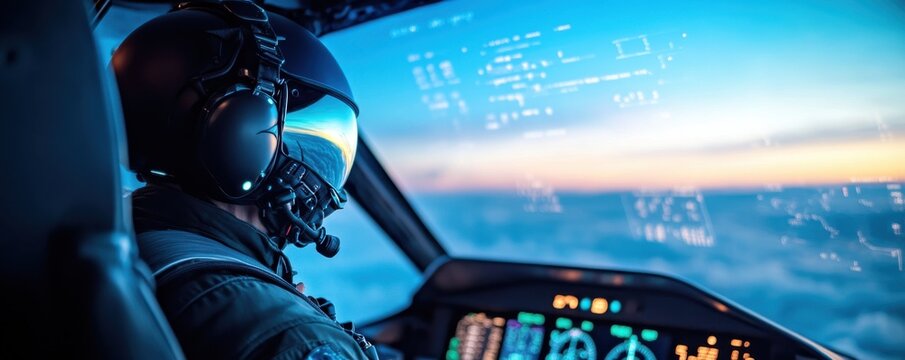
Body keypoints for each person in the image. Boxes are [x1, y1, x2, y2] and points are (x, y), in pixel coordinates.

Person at [112, 1, 373, 359]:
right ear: (236, 128)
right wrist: (294, 322)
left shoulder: (128, 232)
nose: (324, 185)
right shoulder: (291, 337)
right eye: (290, 134)